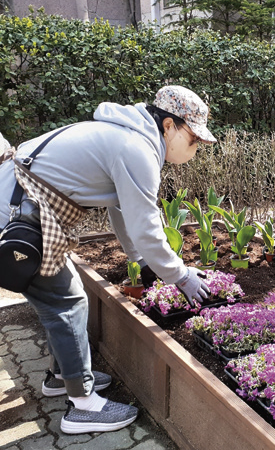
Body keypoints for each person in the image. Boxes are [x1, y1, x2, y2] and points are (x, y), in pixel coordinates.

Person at [0, 85, 216, 433]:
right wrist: (182, 275)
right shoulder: (138, 150)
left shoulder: (127, 136)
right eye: (193, 139)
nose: (195, 149)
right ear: (169, 126)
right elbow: (147, 230)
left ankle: (62, 377)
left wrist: (140, 261)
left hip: (21, 204)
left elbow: (120, 208)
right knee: (67, 301)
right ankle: (83, 406)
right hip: (18, 215)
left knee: (63, 299)